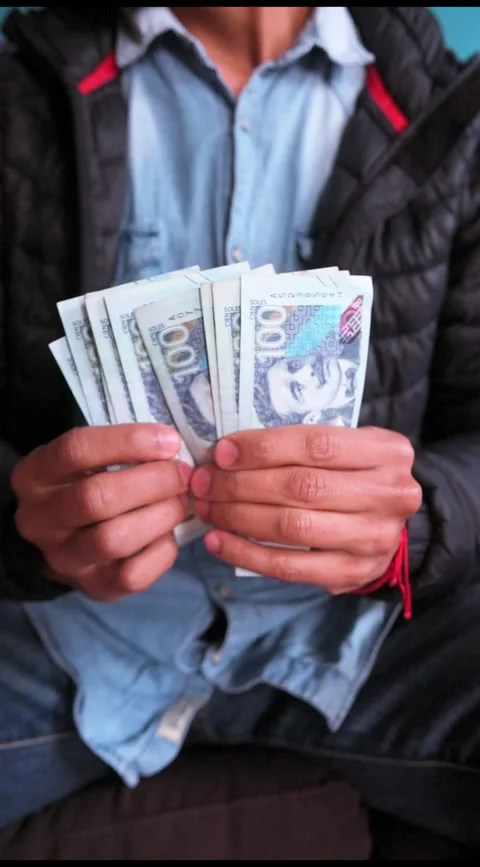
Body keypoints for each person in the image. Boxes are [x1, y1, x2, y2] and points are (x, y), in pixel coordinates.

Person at [1, 5, 480, 847]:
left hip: (368, 640)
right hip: (66, 635)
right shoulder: (18, 92)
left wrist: (420, 521)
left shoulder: (453, 109)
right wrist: (17, 523)